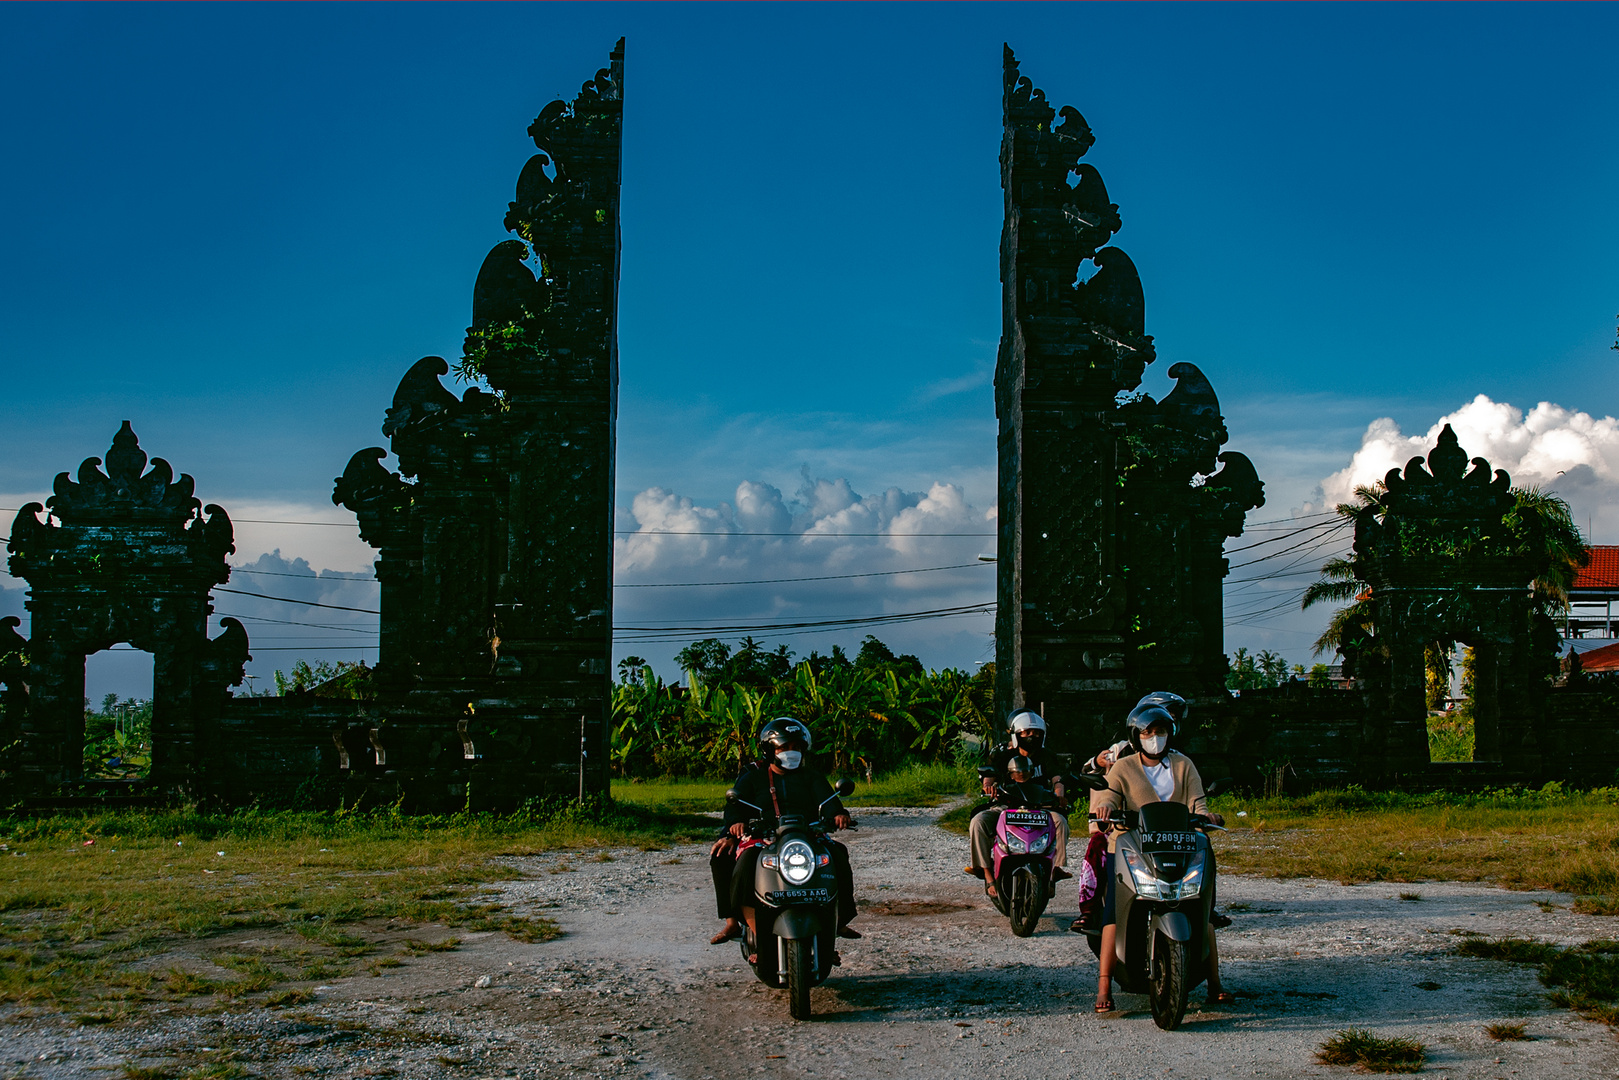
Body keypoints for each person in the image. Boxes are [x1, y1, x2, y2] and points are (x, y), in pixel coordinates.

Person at [1089, 702, 1231, 1013]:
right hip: (1133, 846)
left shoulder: (1183, 765)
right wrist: (1106, 809)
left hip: (1180, 844)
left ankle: (1215, 983)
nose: (1155, 737)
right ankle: (1103, 986)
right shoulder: (1123, 767)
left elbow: (1198, 803)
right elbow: (1110, 796)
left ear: (1171, 733)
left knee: (1204, 911)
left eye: (1161, 731)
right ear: (1136, 735)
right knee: (1113, 914)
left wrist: (1208, 818)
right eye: (1148, 732)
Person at [708, 717, 859, 953]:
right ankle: (737, 923)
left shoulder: (812, 777)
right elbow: (736, 806)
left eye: (796, 747)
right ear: (770, 750)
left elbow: (830, 803)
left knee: (838, 854)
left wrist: (839, 815)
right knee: (741, 862)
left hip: (806, 836)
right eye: (784, 747)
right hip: (764, 838)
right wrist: (735, 825)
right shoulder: (753, 778)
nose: (792, 753)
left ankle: (838, 921)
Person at [966, 709, 1070, 892]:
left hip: (1040, 807)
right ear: (1016, 734)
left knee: (1060, 822)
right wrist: (988, 786)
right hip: (1005, 806)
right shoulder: (1001, 753)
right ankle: (987, 872)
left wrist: (1059, 795)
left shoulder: (1046, 755)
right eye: (1027, 733)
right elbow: (989, 774)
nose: (1032, 736)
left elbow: (1057, 779)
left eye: (1036, 733)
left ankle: (1055, 869)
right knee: (978, 822)